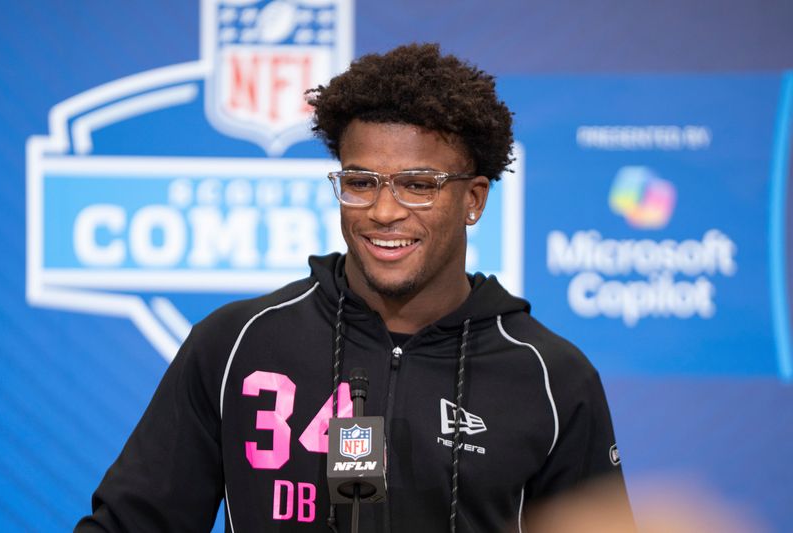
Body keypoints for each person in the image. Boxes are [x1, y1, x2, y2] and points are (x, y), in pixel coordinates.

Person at [76, 43, 630, 532]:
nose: (384, 212)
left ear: (474, 200)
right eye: (360, 182)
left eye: (419, 185)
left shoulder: (551, 376)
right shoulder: (235, 343)